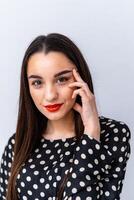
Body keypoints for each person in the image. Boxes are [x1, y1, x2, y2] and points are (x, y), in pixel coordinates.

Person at [0, 33, 131, 200]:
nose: (50, 95)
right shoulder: (17, 143)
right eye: (37, 83)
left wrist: (91, 133)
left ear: (80, 79)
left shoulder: (112, 134)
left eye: (61, 79)